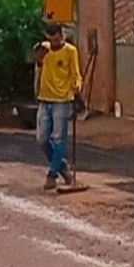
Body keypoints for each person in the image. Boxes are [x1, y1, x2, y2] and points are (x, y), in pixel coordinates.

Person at [33, 23, 82, 191]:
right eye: (51, 39)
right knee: (41, 139)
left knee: (58, 138)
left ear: (62, 35)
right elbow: (38, 66)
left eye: (56, 39)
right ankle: (62, 166)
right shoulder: (44, 49)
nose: (53, 43)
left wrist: (76, 87)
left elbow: (76, 74)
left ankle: (52, 174)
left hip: (62, 99)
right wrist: (38, 60)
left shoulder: (70, 51)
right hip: (45, 98)